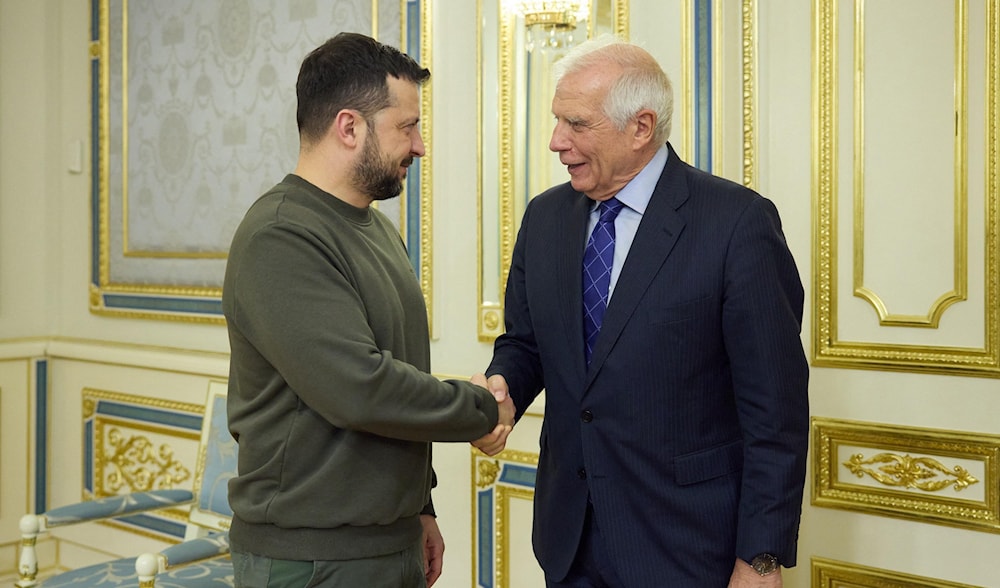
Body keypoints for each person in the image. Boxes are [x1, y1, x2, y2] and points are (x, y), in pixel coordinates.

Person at [477, 36, 809, 587]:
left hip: (687, 547)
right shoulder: (545, 217)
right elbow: (528, 343)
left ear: (641, 127)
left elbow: (775, 411)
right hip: (569, 540)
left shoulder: (735, 224)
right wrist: (502, 386)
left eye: (577, 124)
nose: (557, 142)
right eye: (558, 121)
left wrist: (762, 556)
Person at [223, 32, 512, 588]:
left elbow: (400, 370)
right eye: (407, 127)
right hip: (311, 561)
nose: (420, 145)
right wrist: (482, 408)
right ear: (350, 127)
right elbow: (360, 388)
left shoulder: (376, 228)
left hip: (388, 542)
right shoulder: (281, 236)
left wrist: (419, 507)